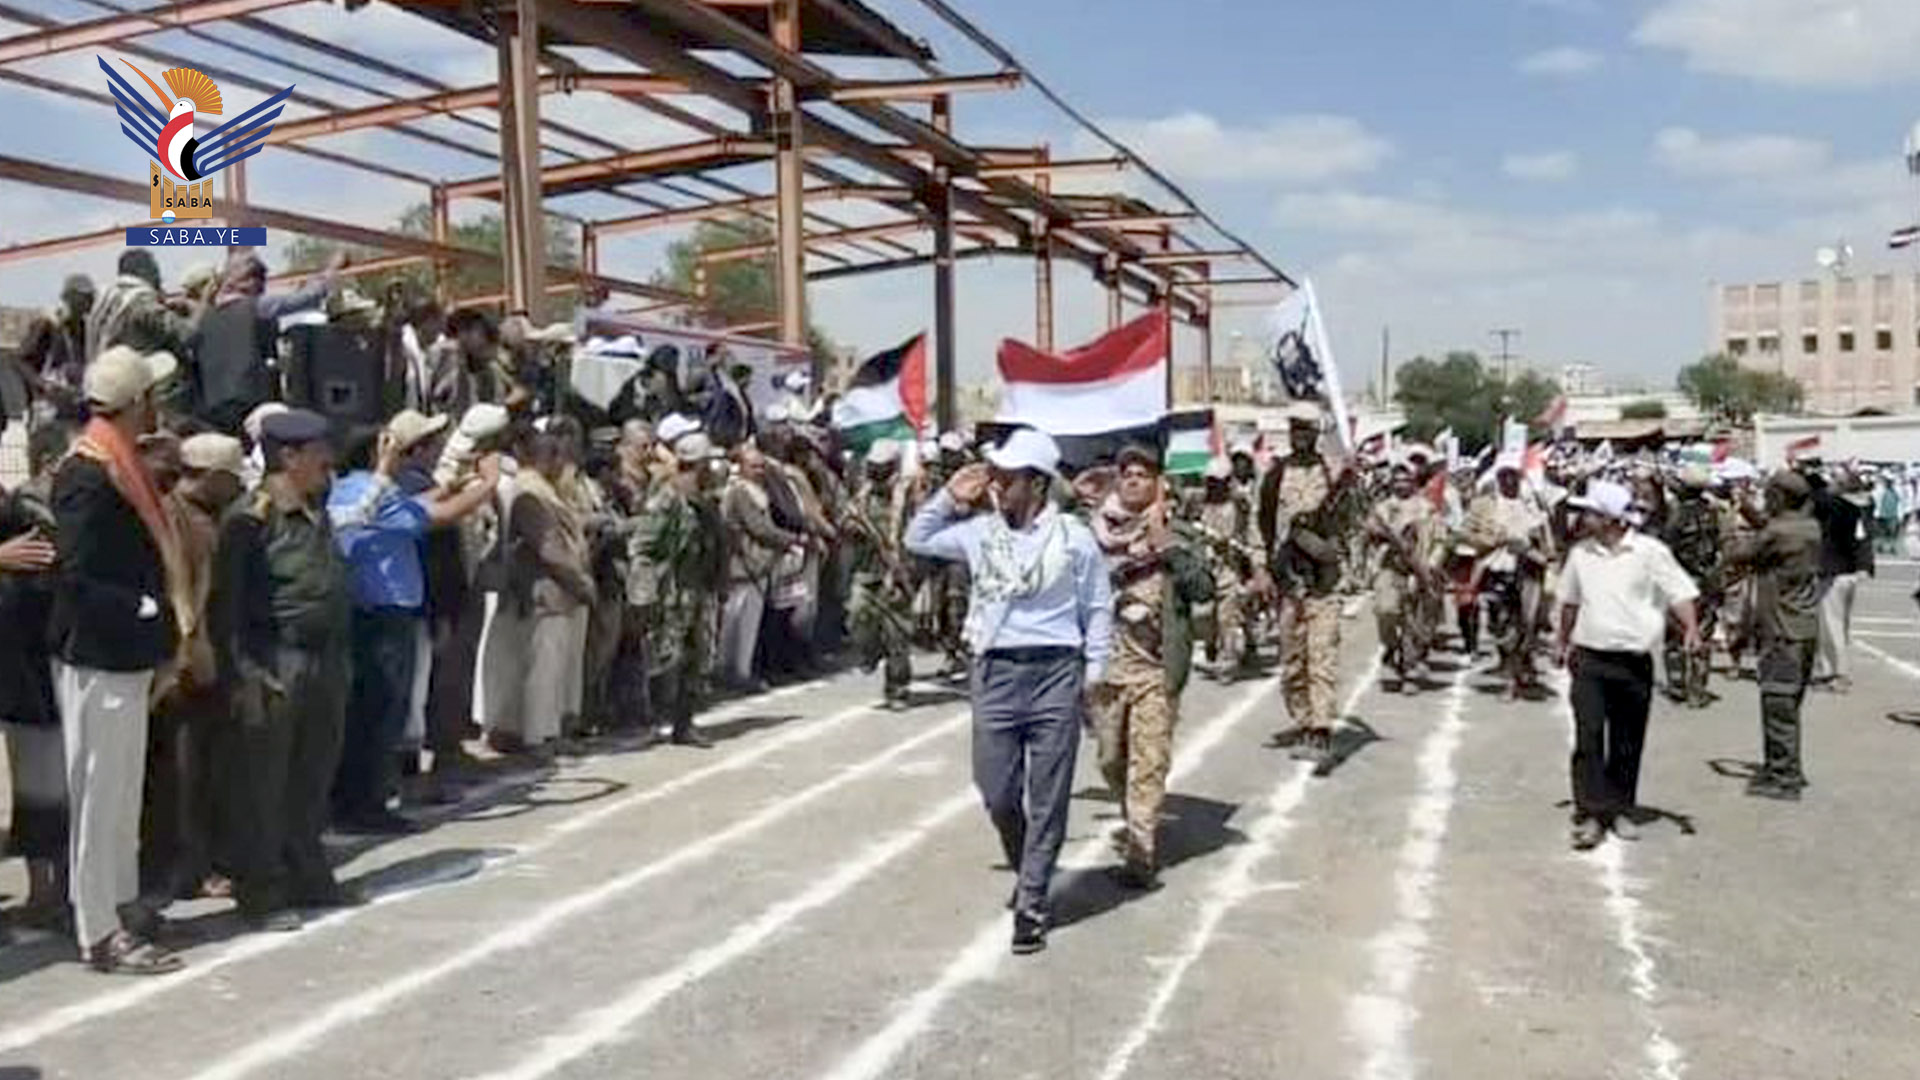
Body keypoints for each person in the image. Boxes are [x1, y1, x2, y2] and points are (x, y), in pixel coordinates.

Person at [905, 427, 1112, 956]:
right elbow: (917, 537)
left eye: (1007, 476)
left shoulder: (1072, 537)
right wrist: (951, 496)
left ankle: (1033, 902)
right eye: (994, 474)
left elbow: (1097, 606)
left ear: (1036, 484)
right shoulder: (979, 532)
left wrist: (1093, 673)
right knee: (996, 789)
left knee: (1048, 795)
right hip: (996, 672)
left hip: (1055, 672)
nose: (995, 483)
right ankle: (1030, 866)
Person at [50, 345, 189, 973]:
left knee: (121, 790)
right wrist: (146, 610)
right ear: (136, 403)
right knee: (100, 794)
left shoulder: (119, 462)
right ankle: (98, 929)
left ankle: (119, 903)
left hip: (123, 656)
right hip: (100, 653)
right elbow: (76, 574)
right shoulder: (86, 473)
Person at [211, 408, 362, 932]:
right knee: (263, 784)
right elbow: (226, 607)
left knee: (312, 773)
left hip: (325, 658)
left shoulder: (316, 507)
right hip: (279, 659)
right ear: (289, 456)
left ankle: (307, 873)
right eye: (319, 451)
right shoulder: (250, 518)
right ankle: (261, 891)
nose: (329, 461)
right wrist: (244, 672)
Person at [329, 410, 500, 831]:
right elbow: (436, 517)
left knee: (382, 712)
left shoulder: (362, 491)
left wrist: (454, 484)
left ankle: (365, 802)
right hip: (381, 617)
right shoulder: (369, 492)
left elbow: (419, 505)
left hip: (384, 615)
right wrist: (488, 484)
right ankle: (364, 806)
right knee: (381, 714)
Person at [1087, 443, 1212, 889]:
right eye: (1127, 473)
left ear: (1158, 481)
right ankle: (1134, 817)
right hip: (1106, 669)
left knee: (1148, 761)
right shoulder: (1096, 532)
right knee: (1110, 759)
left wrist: (1168, 549)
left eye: (1143, 473)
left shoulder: (1178, 532)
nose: (1134, 479)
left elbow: (1202, 588)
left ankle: (1141, 849)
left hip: (1155, 671)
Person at [1552, 479, 1700, 851]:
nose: (1584, 518)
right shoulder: (1581, 553)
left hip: (1633, 662)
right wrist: (1561, 639)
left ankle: (1619, 808)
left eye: (1591, 512)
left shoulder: (1650, 552)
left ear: (1611, 518)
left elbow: (1679, 592)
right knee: (1588, 736)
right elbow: (1569, 601)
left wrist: (1692, 629)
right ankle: (1590, 812)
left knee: (1627, 739)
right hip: (1589, 657)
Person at [144, 433, 246, 906]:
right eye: (228, 479)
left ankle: (204, 858)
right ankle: (184, 867)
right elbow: (179, 588)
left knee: (211, 767)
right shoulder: (174, 515)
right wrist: (189, 649)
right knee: (182, 772)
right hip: (187, 659)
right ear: (207, 477)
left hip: (219, 652)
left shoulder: (212, 515)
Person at [480, 428, 595, 758]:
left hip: (556, 591)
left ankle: (543, 731)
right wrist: (580, 581)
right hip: (545, 590)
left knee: (549, 666)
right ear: (544, 457)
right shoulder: (530, 493)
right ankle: (537, 736)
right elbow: (549, 549)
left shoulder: (543, 490)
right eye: (555, 455)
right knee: (543, 667)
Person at [1256, 401, 1352, 766]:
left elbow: (1348, 521)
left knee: (1321, 657)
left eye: (1307, 430)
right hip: (1288, 582)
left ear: (1316, 434)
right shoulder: (1275, 475)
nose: (1301, 436)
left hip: (1325, 582)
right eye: (1295, 429)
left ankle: (1321, 731)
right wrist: (1261, 569)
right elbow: (1260, 524)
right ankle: (1303, 719)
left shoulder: (1332, 473)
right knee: (1293, 662)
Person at [0, 423, 68, 940]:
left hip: (39, 664)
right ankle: (44, 891)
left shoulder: (33, 511)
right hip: (21, 666)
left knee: (50, 785)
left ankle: (57, 892)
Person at [1726, 470, 1824, 800]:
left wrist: (1730, 529)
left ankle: (1785, 776)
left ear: (1780, 497)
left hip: (1782, 629)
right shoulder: (1808, 527)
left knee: (1778, 704)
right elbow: (1769, 534)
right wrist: (1750, 512)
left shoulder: (1779, 532)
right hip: (1805, 626)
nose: (1766, 499)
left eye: (1769, 494)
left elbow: (1741, 554)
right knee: (1789, 705)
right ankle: (1780, 766)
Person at [627, 432, 721, 747]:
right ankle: (652, 720)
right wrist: (643, 592)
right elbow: (643, 545)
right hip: (670, 591)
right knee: (665, 658)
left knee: (696, 657)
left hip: (696, 588)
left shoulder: (704, 498)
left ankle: (684, 723)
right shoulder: (667, 498)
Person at [191, 249, 339, 432]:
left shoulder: (204, 318)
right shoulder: (257, 307)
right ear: (250, 282)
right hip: (251, 400)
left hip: (211, 406)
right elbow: (308, 297)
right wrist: (332, 269)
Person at [1464, 455, 1553, 697]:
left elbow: (1548, 543)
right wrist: (1496, 540)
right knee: (1500, 625)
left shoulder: (1533, 505)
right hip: (1496, 570)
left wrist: (1534, 550)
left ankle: (1513, 678)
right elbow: (1468, 535)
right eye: (1504, 475)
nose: (1508, 480)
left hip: (1528, 571)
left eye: (1513, 475)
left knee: (1526, 623)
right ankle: (1510, 663)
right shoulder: (1483, 505)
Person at [719, 443, 800, 692]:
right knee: (735, 622)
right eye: (753, 466)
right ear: (741, 467)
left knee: (750, 624)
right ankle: (730, 672)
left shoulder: (758, 489)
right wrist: (791, 540)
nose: (759, 471)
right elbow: (758, 528)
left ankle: (741, 671)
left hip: (760, 565)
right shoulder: (739, 492)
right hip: (744, 565)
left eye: (762, 466)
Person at [847, 439, 915, 708]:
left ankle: (897, 689)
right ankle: (869, 652)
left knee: (897, 634)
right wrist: (854, 529)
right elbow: (847, 520)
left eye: (882, 468)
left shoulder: (908, 495)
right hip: (866, 570)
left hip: (899, 573)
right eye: (873, 467)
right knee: (857, 615)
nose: (876, 473)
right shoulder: (862, 496)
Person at [1368, 462, 1441, 693]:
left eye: (1406, 480)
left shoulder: (1427, 508)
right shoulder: (1381, 509)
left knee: (1414, 621)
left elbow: (1439, 540)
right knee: (1386, 611)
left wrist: (1429, 567)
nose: (1401, 484)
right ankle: (1390, 648)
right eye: (1397, 480)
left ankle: (1408, 669)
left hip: (1419, 569)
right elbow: (1369, 534)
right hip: (1389, 568)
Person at [1661, 466, 1722, 708]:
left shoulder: (1676, 516)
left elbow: (1667, 550)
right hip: (1706, 581)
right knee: (1702, 635)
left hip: (1680, 582)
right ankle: (1698, 689)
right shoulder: (1712, 513)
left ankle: (1678, 685)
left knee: (1675, 635)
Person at [1810, 468, 1871, 693]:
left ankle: (1838, 674)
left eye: (1833, 479)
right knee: (1839, 625)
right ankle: (1830, 670)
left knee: (1830, 625)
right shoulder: (1856, 508)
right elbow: (1862, 540)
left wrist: (1812, 476)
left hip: (1833, 572)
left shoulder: (1835, 507)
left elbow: (1817, 497)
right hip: (1848, 572)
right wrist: (1864, 566)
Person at [1195, 457, 1257, 676]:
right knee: (1205, 614)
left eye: (1220, 482)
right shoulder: (1199, 504)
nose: (1216, 487)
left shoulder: (1239, 505)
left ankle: (1229, 658)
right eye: (1212, 482)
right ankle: (1211, 648)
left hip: (1231, 566)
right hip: (1206, 567)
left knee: (1228, 616)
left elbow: (1246, 533)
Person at [85, 250, 194, 367]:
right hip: (136, 375)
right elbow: (185, 333)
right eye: (155, 271)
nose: (159, 278)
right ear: (143, 271)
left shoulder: (108, 297)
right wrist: (194, 306)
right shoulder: (140, 300)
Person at [16, 273, 95, 423]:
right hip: (49, 406)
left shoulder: (84, 329)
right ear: (70, 298)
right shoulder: (49, 324)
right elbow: (20, 360)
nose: (88, 304)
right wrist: (43, 385)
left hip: (74, 403)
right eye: (83, 299)